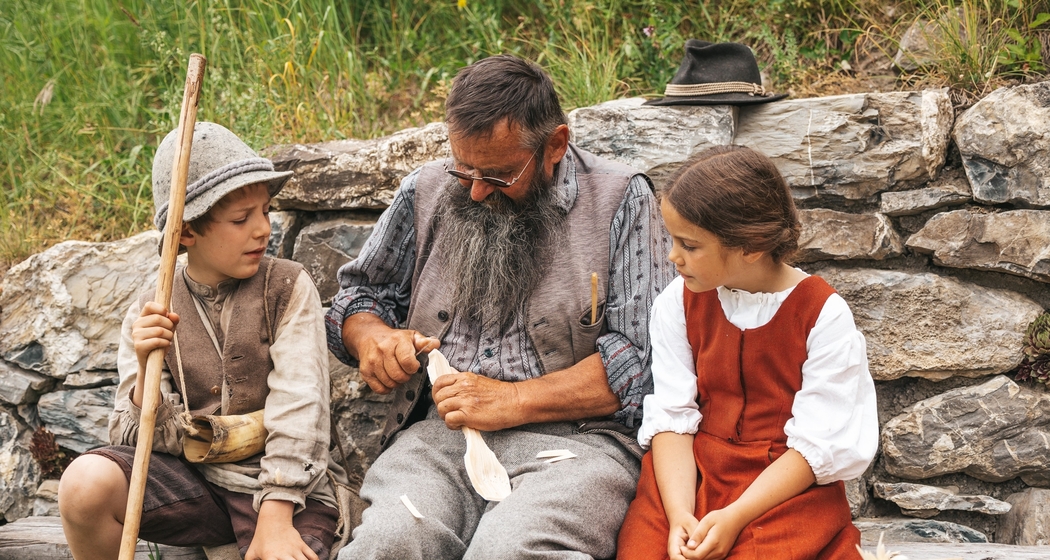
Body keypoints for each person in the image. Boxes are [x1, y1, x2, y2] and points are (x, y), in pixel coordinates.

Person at [325, 54, 674, 559]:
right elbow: (359, 297)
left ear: (555, 144)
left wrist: (513, 401)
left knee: (511, 550)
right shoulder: (427, 189)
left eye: (499, 175)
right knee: (391, 542)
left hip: (581, 446)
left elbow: (644, 361)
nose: (475, 189)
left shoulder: (622, 199)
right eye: (462, 167)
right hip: (441, 437)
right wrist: (371, 336)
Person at [58, 122, 347, 560]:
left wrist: (274, 517)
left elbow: (301, 410)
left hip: (288, 494)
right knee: (84, 484)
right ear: (187, 232)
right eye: (240, 219)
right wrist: (145, 372)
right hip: (200, 486)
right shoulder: (150, 309)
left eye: (265, 211)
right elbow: (136, 441)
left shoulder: (288, 287)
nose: (262, 230)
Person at [616, 146, 878, 560]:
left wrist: (736, 516)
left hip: (785, 485)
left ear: (749, 246)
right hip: (692, 473)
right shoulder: (677, 302)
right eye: (672, 239)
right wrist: (680, 513)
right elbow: (672, 416)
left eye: (689, 244)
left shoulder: (822, 315)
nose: (673, 256)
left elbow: (817, 446)